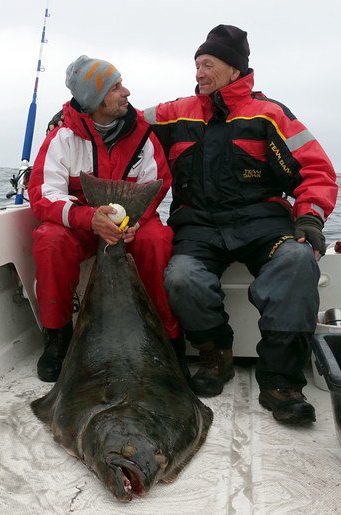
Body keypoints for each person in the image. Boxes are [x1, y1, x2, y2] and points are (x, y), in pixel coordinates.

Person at [141, 25, 338, 424]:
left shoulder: (270, 114)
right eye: (197, 64)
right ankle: (216, 355)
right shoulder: (175, 113)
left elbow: (316, 170)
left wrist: (311, 219)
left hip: (262, 223)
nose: (199, 71)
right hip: (198, 226)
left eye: (208, 64)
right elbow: (124, 120)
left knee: (297, 261)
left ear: (234, 70)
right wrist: (77, 112)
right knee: (181, 276)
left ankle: (281, 380)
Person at [28, 55, 184, 383]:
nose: (126, 92)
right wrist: (89, 218)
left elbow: (156, 183)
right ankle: (57, 338)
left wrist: (134, 223)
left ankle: (167, 340)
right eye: (115, 88)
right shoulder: (61, 138)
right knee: (49, 239)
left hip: (133, 224)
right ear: (95, 99)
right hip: (83, 226)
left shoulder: (143, 135)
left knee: (156, 241)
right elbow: (43, 194)